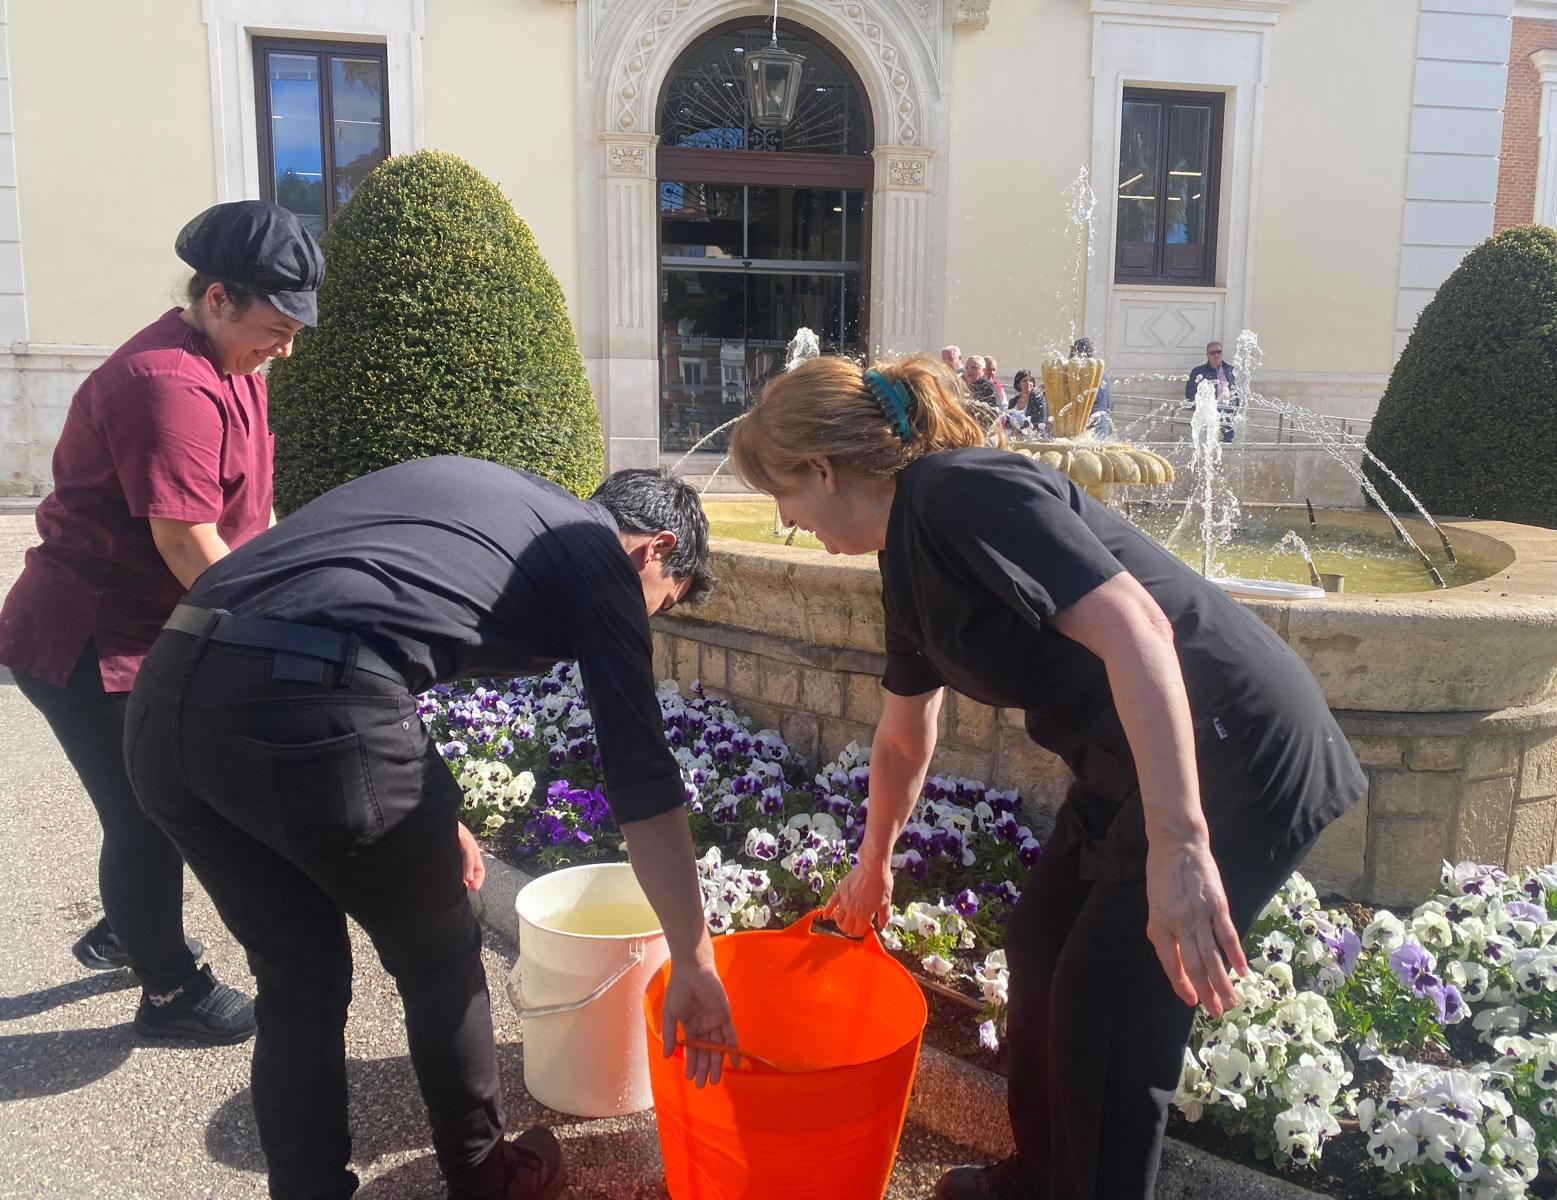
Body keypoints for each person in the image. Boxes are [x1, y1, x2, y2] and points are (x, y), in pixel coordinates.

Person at [726, 356, 1365, 1200]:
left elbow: (1138, 629)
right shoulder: (905, 558)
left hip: (1235, 744)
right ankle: (1036, 1181)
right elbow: (905, 734)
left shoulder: (959, 491)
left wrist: (1180, 843)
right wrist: (874, 862)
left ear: (822, 469)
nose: (784, 520)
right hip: (1127, 763)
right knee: (1038, 948)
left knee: (1108, 1007)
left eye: (782, 496)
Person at [123, 459, 736, 1200]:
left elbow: (374, 628)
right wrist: (693, 960)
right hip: (307, 709)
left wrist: (436, 809)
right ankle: (487, 1180)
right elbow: (642, 777)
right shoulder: (596, 553)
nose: (643, 620)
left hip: (166, 702)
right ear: (657, 549)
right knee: (440, 960)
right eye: (660, 603)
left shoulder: (504, 499)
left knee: (295, 974)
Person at [0, 200, 321, 1042]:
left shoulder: (234, 367)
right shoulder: (166, 385)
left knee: (167, 797)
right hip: (88, 641)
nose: (285, 349)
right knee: (149, 812)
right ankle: (169, 991)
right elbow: (185, 540)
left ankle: (127, 926)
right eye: (276, 328)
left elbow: (247, 511)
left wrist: (288, 588)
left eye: (295, 332)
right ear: (217, 298)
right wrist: (275, 643)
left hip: (153, 632)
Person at [1185, 341, 1240, 444]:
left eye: (1218, 352)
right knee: (1209, 438)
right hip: (1209, 410)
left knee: (1228, 429)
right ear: (1207, 355)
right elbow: (1190, 393)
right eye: (1212, 353)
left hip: (1228, 410)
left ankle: (1226, 447)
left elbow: (1236, 390)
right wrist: (1202, 405)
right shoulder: (1198, 371)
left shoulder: (1230, 370)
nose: (1216, 355)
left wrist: (1236, 406)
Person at [1071, 337, 1114, 441]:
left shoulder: (1083, 372)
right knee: (1100, 448)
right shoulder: (1101, 371)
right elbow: (1108, 403)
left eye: (1073, 350)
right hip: (1102, 418)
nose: (1072, 354)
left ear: (1079, 351)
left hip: (1087, 419)